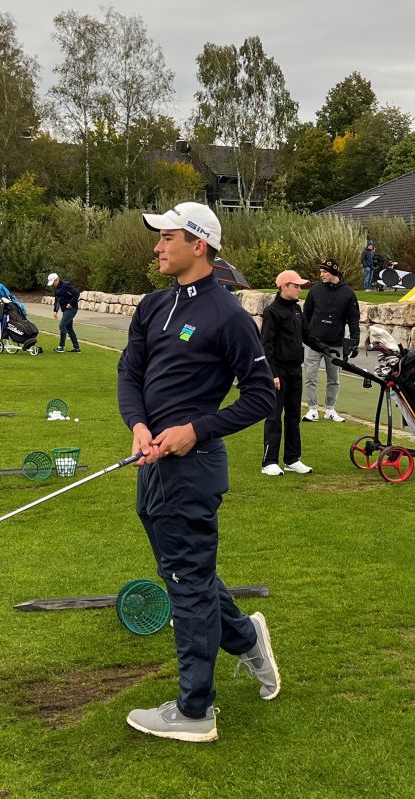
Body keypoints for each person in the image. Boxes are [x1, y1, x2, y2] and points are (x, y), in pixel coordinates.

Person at [119, 200, 279, 743]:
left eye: (167, 237)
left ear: (198, 245)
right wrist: (138, 425)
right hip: (152, 464)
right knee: (188, 575)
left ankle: (195, 710)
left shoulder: (227, 315)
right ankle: (248, 640)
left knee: (186, 585)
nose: (157, 246)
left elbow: (261, 397)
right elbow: (130, 373)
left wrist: (196, 430)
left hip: (195, 468)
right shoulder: (153, 305)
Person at [259, 270, 312, 476]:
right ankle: (269, 461)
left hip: (295, 369)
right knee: (274, 416)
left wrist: (328, 349)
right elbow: (266, 345)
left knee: (293, 416)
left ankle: (292, 459)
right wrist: (272, 373)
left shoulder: (297, 310)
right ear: (284, 287)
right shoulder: (272, 312)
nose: (299, 289)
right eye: (296, 286)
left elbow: (307, 336)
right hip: (278, 371)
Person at [300, 258, 361, 423]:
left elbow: (354, 319)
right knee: (310, 376)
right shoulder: (315, 290)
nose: (321, 275)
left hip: (335, 343)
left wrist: (355, 340)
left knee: (334, 379)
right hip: (313, 342)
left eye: (324, 272)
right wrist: (303, 337)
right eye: (321, 272)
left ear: (334, 272)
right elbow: (306, 315)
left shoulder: (348, 293)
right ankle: (312, 409)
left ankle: (330, 410)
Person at [49, 271, 81, 352]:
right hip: (65, 309)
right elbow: (57, 300)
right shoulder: (56, 288)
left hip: (71, 309)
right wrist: (55, 310)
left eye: (53, 282)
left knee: (62, 325)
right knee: (69, 328)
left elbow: (76, 293)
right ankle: (76, 348)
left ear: (57, 279)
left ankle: (61, 346)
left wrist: (71, 303)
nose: (53, 284)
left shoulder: (66, 285)